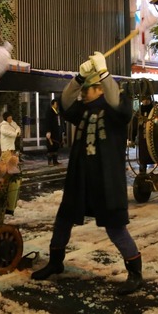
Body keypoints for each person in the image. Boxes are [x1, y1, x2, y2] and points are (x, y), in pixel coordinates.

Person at [31, 51, 142, 295]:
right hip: (80, 178)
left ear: (100, 88)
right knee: (64, 219)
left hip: (106, 180)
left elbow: (118, 104)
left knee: (115, 227)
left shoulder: (116, 107)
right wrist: (79, 79)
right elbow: (64, 103)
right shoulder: (83, 109)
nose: (83, 94)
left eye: (87, 89)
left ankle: (135, 272)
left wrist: (104, 72)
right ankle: (55, 261)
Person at [45, 98, 65, 165]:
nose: (57, 105)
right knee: (51, 146)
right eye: (56, 104)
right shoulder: (50, 112)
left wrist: (62, 130)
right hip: (52, 132)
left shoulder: (58, 112)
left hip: (57, 131)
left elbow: (61, 122)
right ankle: (50, 161)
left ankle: (55, 161)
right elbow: (48, 122)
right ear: (52, 104)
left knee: (56, 146)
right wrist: (48, 131)